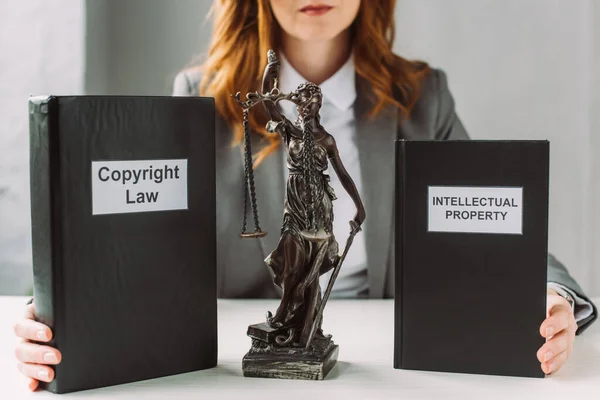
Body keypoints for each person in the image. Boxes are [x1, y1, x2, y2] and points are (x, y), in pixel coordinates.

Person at [12, 0, 597, 391]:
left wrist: (550, 294)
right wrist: (75, 314)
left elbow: (493, 229)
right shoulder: (204, 100)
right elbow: (148, 256)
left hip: (396, 373)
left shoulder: (422, 99)